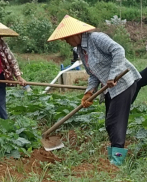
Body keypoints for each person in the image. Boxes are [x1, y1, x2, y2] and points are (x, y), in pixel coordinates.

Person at [47, 15, 141, 166]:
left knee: (115, 122)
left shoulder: (96, 38)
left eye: (66, 38)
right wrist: (89, 92)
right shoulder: (80, 50)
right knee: (110, 123)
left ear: (75, 34)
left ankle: (117, 162)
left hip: (123, 83)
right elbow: (93, 74)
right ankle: (115, 158)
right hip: (110, 88)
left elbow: (118, 50)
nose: (65, 41)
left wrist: (113, 75)